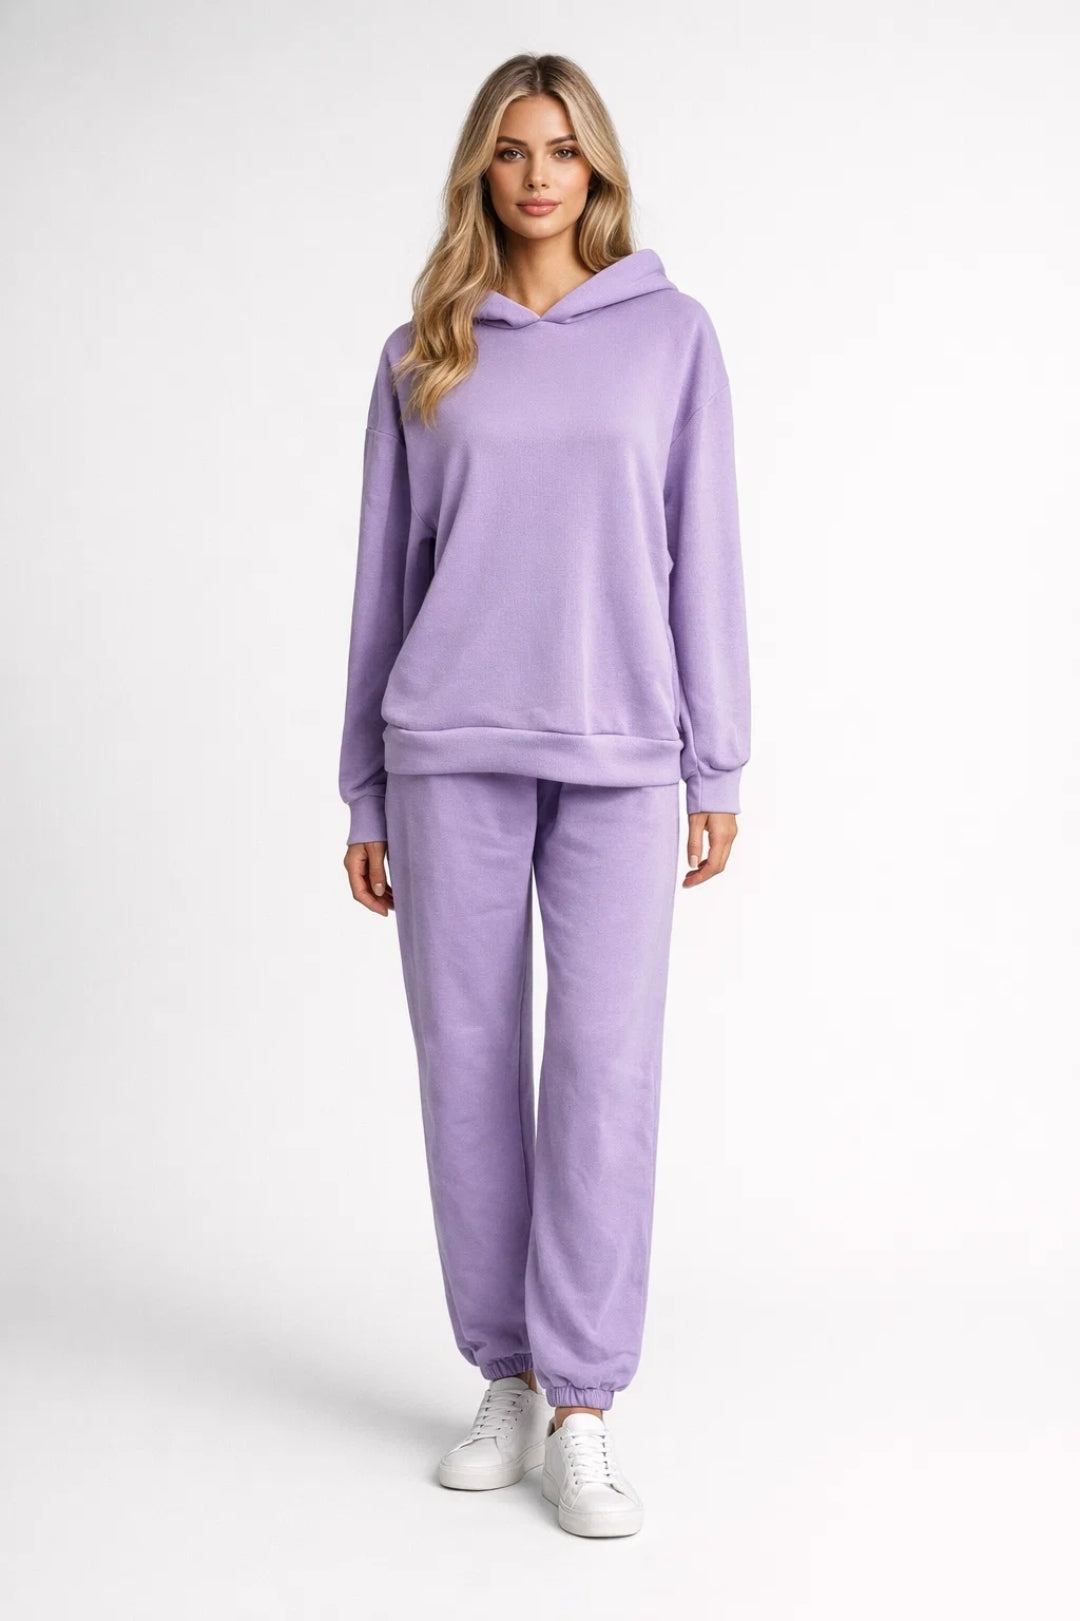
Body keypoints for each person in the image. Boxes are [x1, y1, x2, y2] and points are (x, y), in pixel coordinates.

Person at [338, 52, 750, 1539]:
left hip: (625, 749)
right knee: (464, 1065)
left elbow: (705, 548)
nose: (536, 175)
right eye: (511, 151)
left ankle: (583, 1402)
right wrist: (362, 788)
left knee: (603, 1072)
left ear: (597, 170)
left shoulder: (671, 338)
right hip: (445, 745)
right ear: (481, 170)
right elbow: (383, 577)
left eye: (561, 150)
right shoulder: (425, 349)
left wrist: (718, 756)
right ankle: (503, 1374)